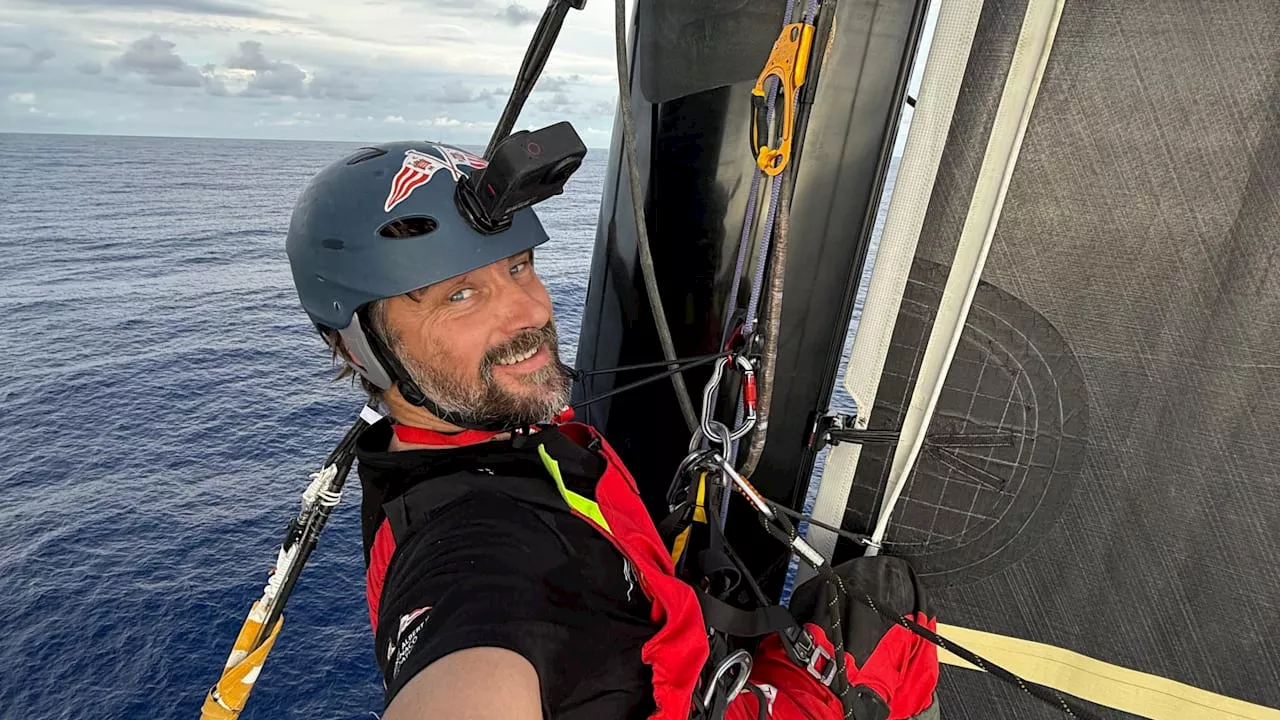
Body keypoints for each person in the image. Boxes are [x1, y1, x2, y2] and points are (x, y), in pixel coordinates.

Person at [285, 140, 941, 720]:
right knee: (892, 612)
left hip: (684, 668)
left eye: (517, 265)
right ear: (357, 349)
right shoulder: (475, 550)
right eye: (459, 295)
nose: (532, 310)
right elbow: (474, 645)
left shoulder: (486, 428)